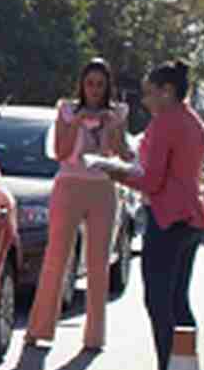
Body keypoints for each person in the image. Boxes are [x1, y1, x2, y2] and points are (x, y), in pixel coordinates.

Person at [101, 61, 204, 370]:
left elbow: (150, 180)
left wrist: (113, 172)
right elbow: (146, 161)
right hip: (191, 216)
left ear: (167, 91)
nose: (146, 101)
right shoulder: (191, 120)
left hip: (170, 218)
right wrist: (120, 148)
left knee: (160, 303)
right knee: (178, 303)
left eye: (150, 93)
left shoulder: (167, 121)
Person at [25, 58, 132, 352]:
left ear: (107, 86)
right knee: (56, 257)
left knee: (99, 263)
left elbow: (120, 153)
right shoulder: (67, 110)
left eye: (100, 84)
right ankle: (39, 328)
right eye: (90, 84)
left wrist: (111, 127)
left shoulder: (117, 113)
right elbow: (60, 151)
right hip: (69, 185)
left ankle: (94, 337)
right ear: (82, 86)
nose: (95, 90)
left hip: (102, 188)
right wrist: (75, 122)